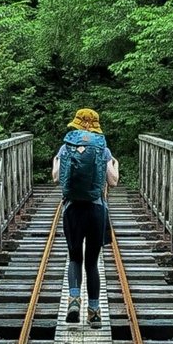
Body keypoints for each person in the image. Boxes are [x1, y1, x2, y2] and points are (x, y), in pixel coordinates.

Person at [52, 108, 119, 329]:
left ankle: (73, 300)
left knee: (74, 258)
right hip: (96, 209)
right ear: (96, 125)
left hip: (72, 209)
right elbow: (113, 181)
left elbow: (55, 178)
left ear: (76, 124)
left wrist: (55, 162)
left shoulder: (66, 147)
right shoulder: (103, 148)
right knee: (92, 262)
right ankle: (94, 312)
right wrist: (115, 165)